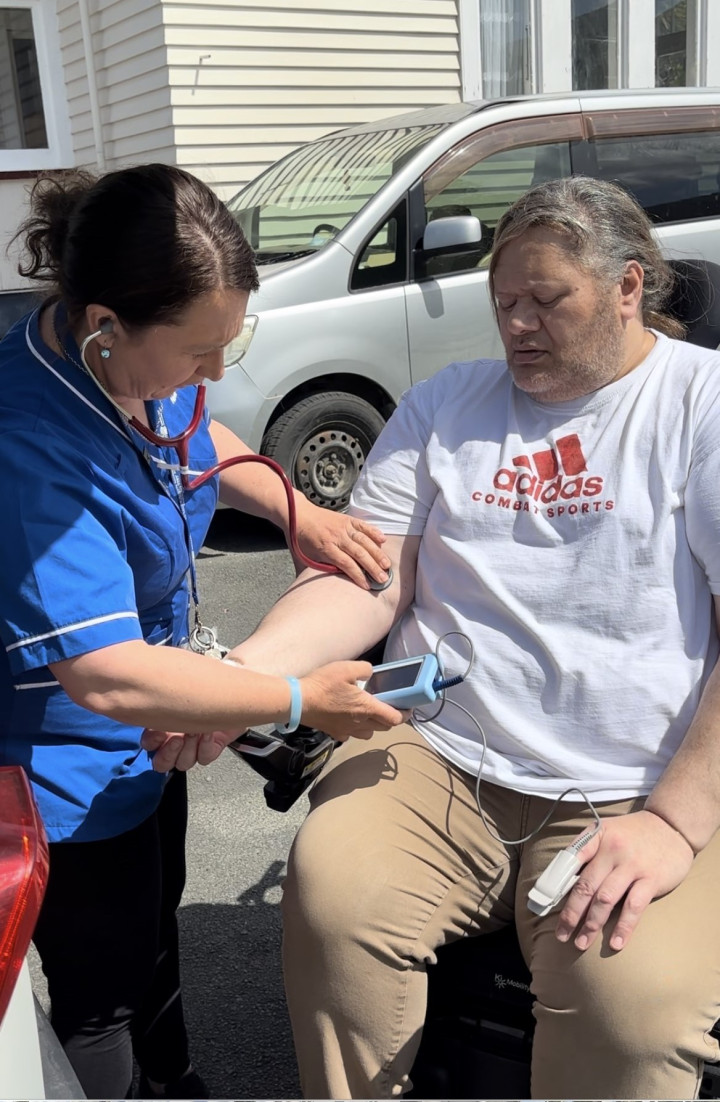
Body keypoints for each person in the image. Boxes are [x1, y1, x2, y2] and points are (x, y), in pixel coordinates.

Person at [148, 174, 720, 1100]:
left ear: (628, 287)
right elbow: (363, 580)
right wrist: (239, 681)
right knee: (336, 904)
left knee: (632, 1009)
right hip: (445, 755)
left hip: (639, 783)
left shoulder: (702, 405)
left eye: (547, 301)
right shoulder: (446, 405)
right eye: (504, 304)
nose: (519, 326)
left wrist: (673, 822)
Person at [0, 163, 407, 1101]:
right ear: (106, 326)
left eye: (234, 341)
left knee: (155, 930)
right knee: (97, 994)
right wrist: (303, 698)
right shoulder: (28, 444)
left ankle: (176, 1081)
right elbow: (104, 677)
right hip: (64, 774)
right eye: (200, 351)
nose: (218, 373)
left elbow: (203, 439)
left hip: (156, 740)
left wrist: (297, 511)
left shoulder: (143, 370)